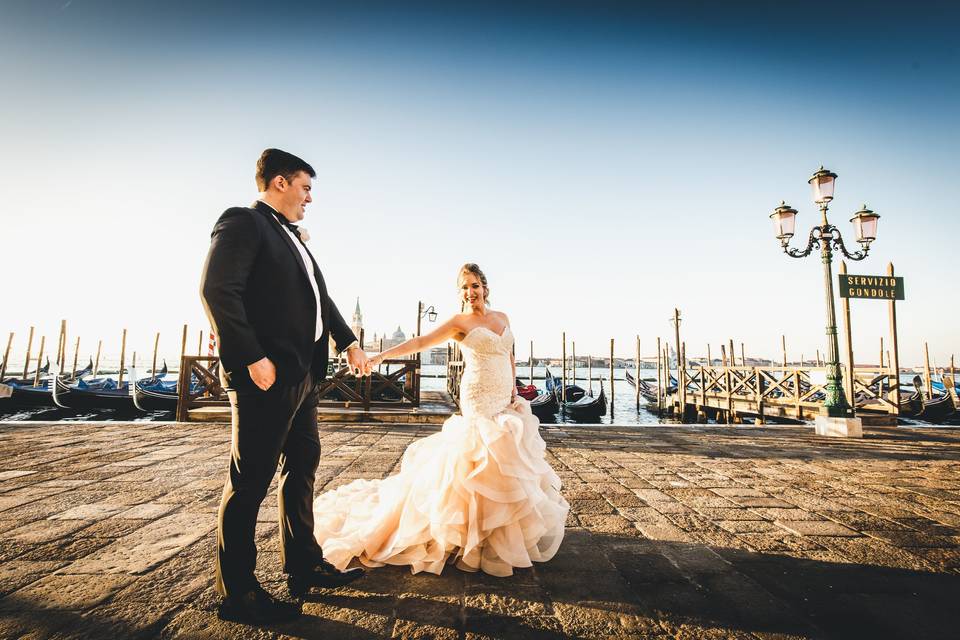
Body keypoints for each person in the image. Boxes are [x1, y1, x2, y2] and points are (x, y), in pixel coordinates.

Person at [312, 263, 569, 577]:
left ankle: (496, 530)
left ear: (485, 288)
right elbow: (420, 343)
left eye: (474, 285)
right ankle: (469, 533)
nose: (470, 292)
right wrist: (378, 357)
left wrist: (515, 390)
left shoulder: (503, 318)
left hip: (504, 396)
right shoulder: (459, 322)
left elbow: (509, 356)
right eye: (464, 287)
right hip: (478, 396)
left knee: (508, 458)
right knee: (480, 457)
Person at [200, 148, 367, 624]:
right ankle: (237, 592)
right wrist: (252, 356)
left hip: (303, 375)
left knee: (303, 467)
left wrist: (348, 341)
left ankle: (304, 565)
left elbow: (321, 300)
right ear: (278, 183)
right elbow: (217, 290)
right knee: (249, 480)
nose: (310, 198)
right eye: (305, 187)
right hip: (265, 376)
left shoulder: (294, 239)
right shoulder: (243, 223)